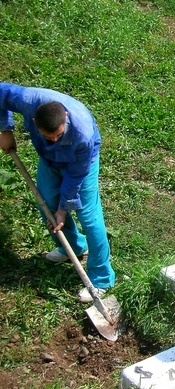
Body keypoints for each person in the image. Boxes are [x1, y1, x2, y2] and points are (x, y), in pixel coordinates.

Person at [0, 83, 116, 303]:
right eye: (48, 136)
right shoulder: (26, 100)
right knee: (46, 202)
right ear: (35, 123)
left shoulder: (83, 135)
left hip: (81, 164)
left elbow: (74, 178)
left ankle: (102, 278)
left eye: (58, 135)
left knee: (88, 217)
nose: (55, 139)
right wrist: (6, 129)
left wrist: (64, 209)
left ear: (65, 116)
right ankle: (71, 246)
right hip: (49, 159)